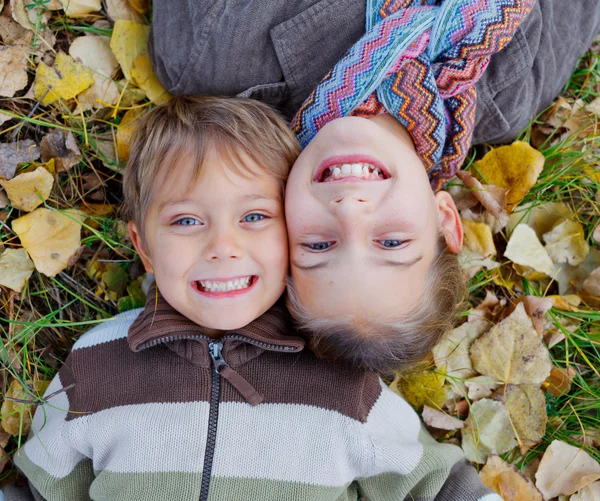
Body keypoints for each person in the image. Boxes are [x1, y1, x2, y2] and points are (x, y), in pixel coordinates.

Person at [1, 96, 503, 501]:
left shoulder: (344, 387)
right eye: (187, 221)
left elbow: (437, 487)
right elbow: (43, 487)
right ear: (144, 248)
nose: (223, 247)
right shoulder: (96, 363)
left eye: (255, 217)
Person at [149, 0, 600, 374]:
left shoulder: (217, 52)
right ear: (445, 221)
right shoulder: (510, 92)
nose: (349, 209)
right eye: (391, 241)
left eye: (320, 244)